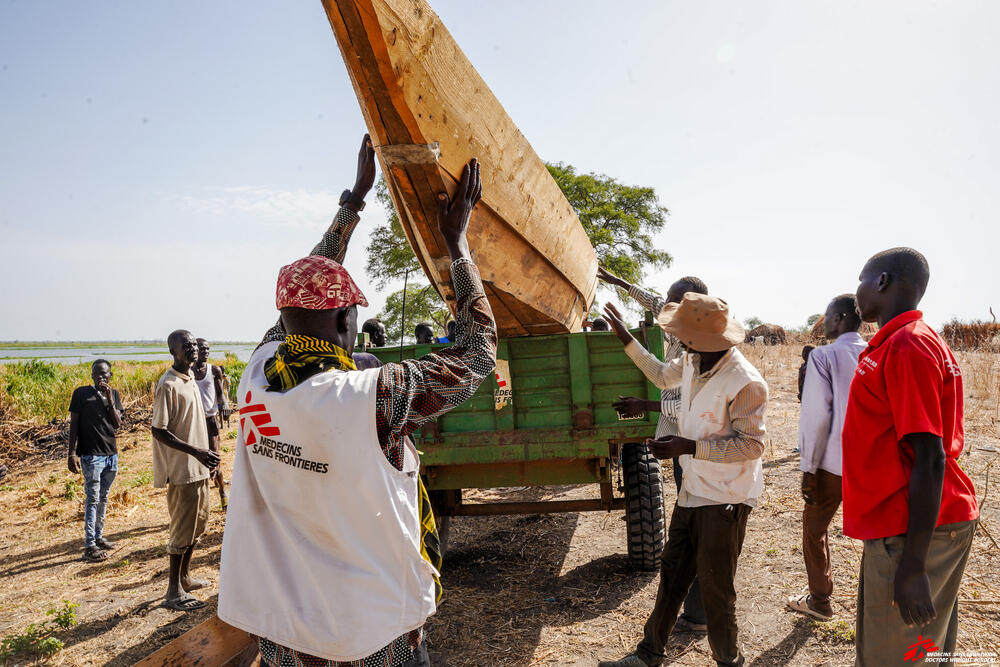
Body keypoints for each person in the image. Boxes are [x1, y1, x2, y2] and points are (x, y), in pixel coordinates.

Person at [218, 140, 496, 667]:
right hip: (370, 633)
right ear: (347, 321)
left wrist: (355, 200)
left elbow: (307, 284)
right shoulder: (369, 397)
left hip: (283, 633)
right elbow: (478, 353)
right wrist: (457, 246)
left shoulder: (257, 374)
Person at [599, 294, 765, 667]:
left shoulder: (745, 382)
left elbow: (752, 446)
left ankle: (729, 661)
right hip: (693, 489)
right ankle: (649, 654)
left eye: (682, 335)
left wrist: (688, 446)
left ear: (700, 339)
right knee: (673, 574)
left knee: (716, 589)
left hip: (725, 499)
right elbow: (661, 376)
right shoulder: (693, 360)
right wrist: (625, 337)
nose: (678, 340)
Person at [843, 247, 978, 664]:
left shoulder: (907, 346)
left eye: (862, 281)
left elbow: (930, 455)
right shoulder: (899, 342)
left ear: (882, 281)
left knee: (895, 656)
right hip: (904, 523)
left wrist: (915, 564)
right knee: (921, 651)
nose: (857, 293)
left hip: (913, 530)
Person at [600, 268, 711, 633]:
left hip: (697, 447)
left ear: (693, 306)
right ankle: (697, 612)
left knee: (698, 528)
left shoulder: (704, 348)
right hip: (684, 445)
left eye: (674, 301)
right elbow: (664, 377)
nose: (666, 306)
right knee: (694, 526)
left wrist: (646, 406)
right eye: (667, 300)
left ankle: (699, 615)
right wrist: (620, 288)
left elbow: (694, 406)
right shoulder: (683, 336)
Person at [786, 295, 865, 621]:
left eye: (828, 316)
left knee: (814, 530)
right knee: (876, 537)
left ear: (840, 318)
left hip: (831, 464)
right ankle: (876, 604)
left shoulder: (824, 356)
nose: (824, 323)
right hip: (869, 463)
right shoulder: (875, 352)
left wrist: (808, 469)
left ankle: (820, 601)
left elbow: (816, 417)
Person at [151, 329, 221, 611]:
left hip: (200, 467)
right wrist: (196, 452)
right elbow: (158, 430)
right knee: (182, 529)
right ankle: (172, 592)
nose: (192, 348)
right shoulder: (168, 384)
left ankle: (185, 579)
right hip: (183, 470)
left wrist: (207, 456)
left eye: (193, 344)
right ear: (173, 351)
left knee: (198, 524)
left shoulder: (190, 378)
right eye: (185, 345)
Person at [68, 359, 124, 562]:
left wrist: (109, 399)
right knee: (92, 499)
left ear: (110, 375)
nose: (101, 377)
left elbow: (117, 424)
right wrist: (71, 453)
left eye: (104, 373)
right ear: (92, 375)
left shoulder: (114, 394)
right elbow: (74, 424)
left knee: (103, 497)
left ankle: (98, 537)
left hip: (111, 455)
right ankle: (89, 545)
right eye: (97, 373)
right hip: (91, 456)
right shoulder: (81, 393)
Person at [193, 338, 229, 509]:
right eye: (203, 349)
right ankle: (202, 500)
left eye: (208, 349)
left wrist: (225, 405)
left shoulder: (214, 370)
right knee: (197, 459)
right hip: (194, 421)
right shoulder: (188, 372)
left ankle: (222, 491)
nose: (206, 352)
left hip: (210, 420)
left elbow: (220, 394)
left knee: (214, 458)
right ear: (195, 350)